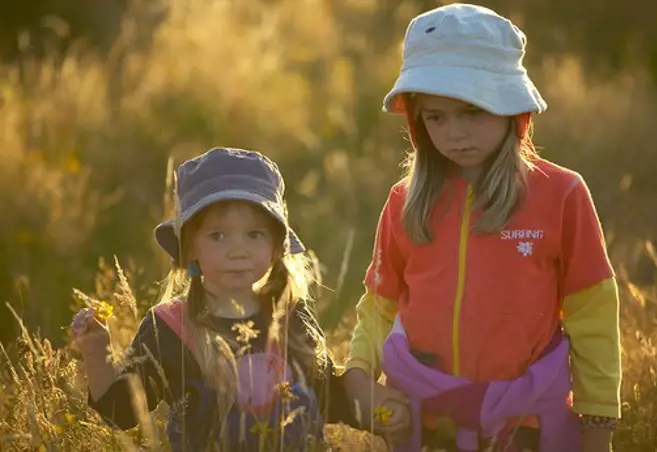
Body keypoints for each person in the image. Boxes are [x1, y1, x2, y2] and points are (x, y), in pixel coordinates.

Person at [343, 4, 621, 452]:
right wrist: (358, 376)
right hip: (425, 423)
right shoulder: (404, 202)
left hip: (525, 425)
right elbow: (380, 306)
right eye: (436, 116)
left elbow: (593, 315)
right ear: (417, 121)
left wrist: (598, 423)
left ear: (512, 110)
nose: (455, 133)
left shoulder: (562, 194)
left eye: (472, 111)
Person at [71, 147, 355, 451]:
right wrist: (96, 350)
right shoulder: (169, 327)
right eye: (217, 236)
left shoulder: (290, 314)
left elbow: (329, 397)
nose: (238, 250)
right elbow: (120, 412)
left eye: (254, 234)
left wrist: (386, 397)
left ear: (275, 245)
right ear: (191, 247)